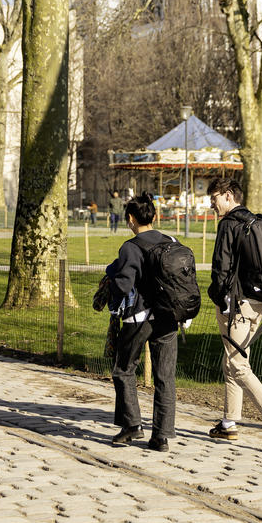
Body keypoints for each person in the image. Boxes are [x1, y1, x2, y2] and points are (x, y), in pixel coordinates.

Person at [205, 178, 262, 452]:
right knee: (232, 362)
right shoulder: (255, 221)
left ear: (229, 196)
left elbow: (221, 268)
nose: (212, 204)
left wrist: (218, 300)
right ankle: (229, 424)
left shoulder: (229, 224)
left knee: (238, 365)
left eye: (214, 198)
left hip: (239, 306)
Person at [104, 193, 179, 452]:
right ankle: (161, 436)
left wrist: (110, 283)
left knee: (124, 368)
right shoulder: (172, 241)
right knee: (165, 377)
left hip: (140, 317)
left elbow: (124, 285)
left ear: (130, 219)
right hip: (169, 317)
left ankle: (132, 424)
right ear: (155, 217)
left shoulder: (130, 247)